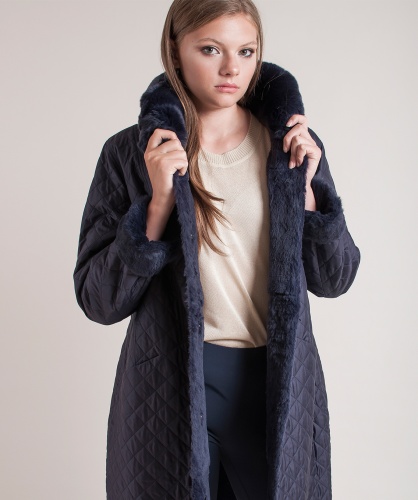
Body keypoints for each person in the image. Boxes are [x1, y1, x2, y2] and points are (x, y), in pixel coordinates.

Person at [73, 0, 360, 498]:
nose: (232, 69)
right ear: (175, 51)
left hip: (275, 385)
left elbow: (335, 279)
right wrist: (158, 205)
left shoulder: (292, 148)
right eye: (210, 49)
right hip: (170, 386)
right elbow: (99, 301)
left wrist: (309, 195)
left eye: (246, 51)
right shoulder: (130, 154)